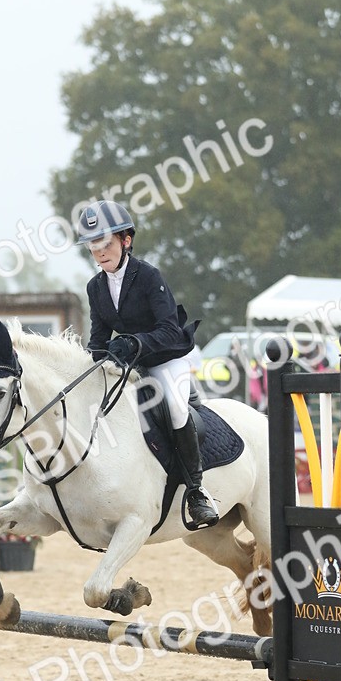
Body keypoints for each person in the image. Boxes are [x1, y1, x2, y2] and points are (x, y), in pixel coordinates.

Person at [78, 199, 218, 527]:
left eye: (105, 243)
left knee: (176, 409)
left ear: (126, 240)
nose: (99, 252)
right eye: (93, 246)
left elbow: (169, 329)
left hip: (166, 358)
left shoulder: (148, 276)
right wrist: (90, 363)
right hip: (131, 365)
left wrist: (134, 342)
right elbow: (98, 338)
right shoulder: (95, 287)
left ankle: (197, 491)